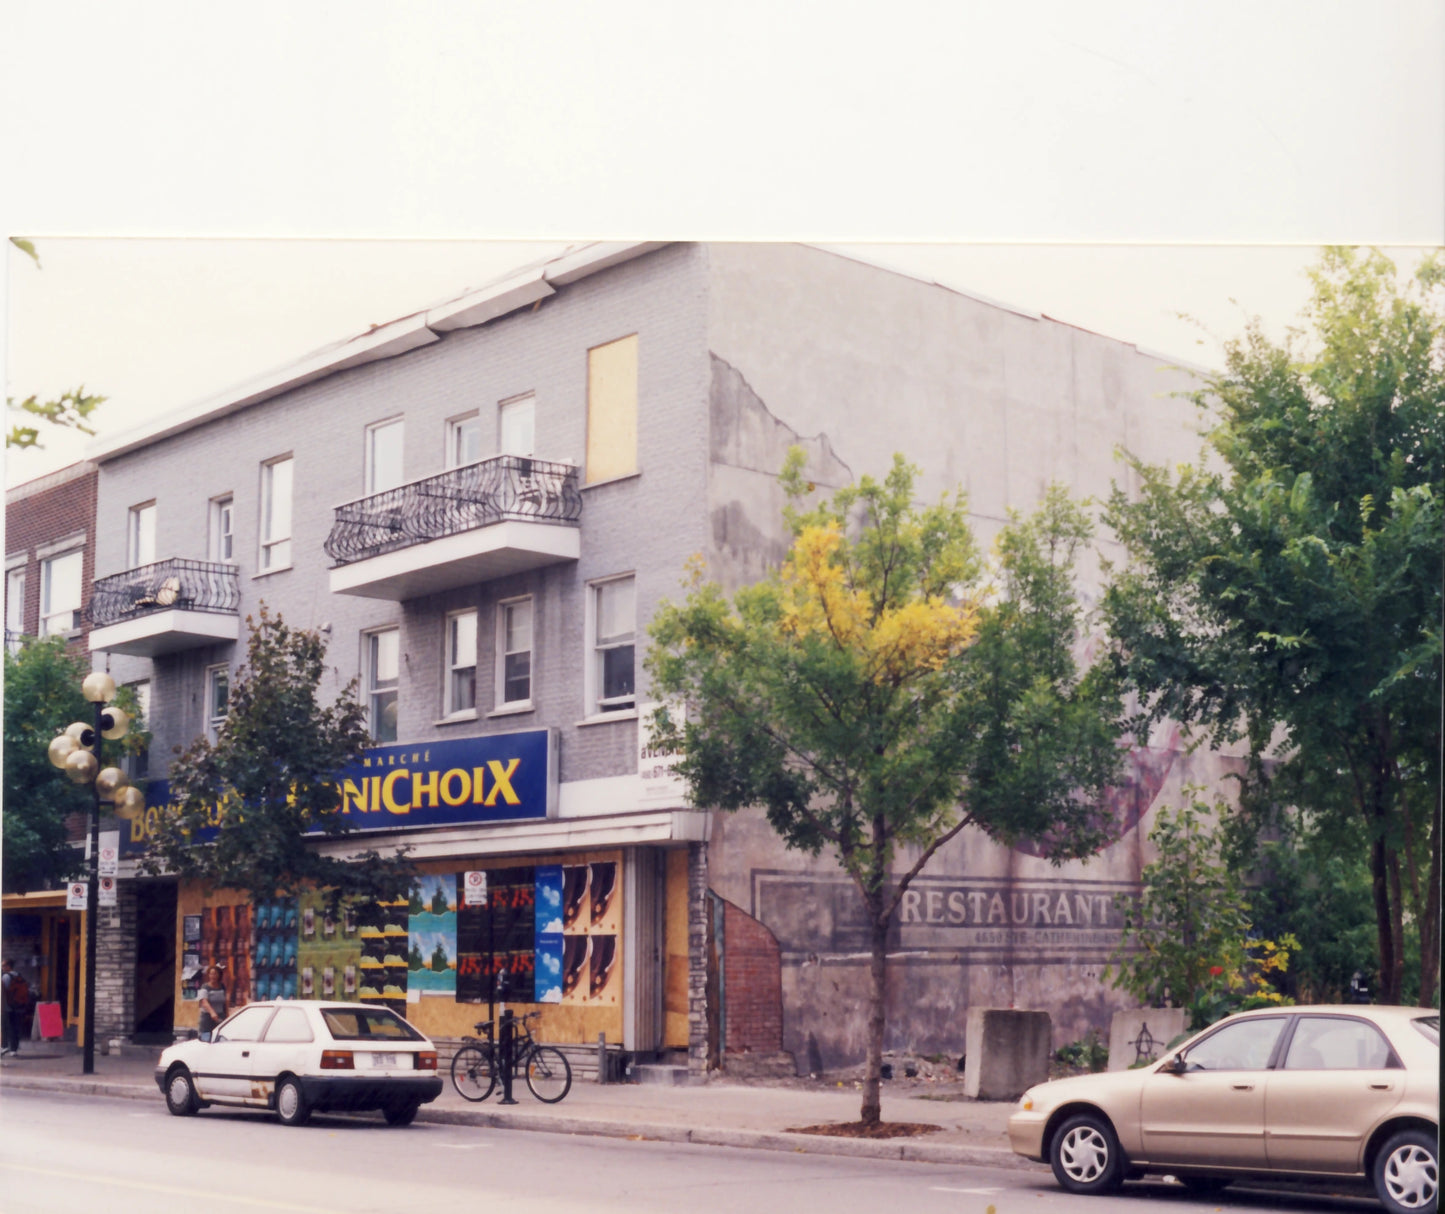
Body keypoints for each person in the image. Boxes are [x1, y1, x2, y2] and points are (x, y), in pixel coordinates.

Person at [196, 965, 228, 1041]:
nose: (213, 976)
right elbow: (204, 1002)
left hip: (220, 1018)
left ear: (219, 975)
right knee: (206, 1041)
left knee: (219, 1041)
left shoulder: (222, 986)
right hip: (207, 1019)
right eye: (211, 974)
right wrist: (212, 1012)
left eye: (215, 974)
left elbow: (225, 1002)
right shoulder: (205, 987)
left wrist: (227, 1015)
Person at [1, 959, 24, 1056]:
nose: (2, 968)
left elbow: (3, 992)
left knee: (6, 1027)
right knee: (15, 1027)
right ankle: (14, 1049)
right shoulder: (18, 975)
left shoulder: (6, 976)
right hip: (18, 1006)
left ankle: (4, 1047)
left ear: (8, 966)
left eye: (3, 966)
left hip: (7, 1006)